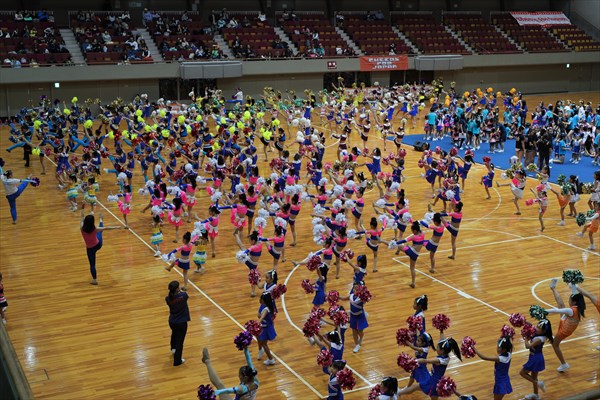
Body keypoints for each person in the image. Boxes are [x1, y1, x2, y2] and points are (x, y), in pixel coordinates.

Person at [547, 278, 586, 372]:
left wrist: (542, 311)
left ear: (574, 302)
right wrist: (572, 282)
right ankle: (553, 288)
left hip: (565, 329)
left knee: (555, 344)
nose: (569, 300)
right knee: (560, 304)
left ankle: (564, 364)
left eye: (570, 299)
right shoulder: (577, 306)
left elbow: (556, 311)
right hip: (568, 323)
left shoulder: (570, 310)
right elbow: (574, 293)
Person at [80, 210, 124, 285]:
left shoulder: (82, 228)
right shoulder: (95, 229)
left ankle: (94, 280)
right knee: (100, 231)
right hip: (98, 245)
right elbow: (106, 228)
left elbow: (82, 220)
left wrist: (82, 215)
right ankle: (101, 219)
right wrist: (118, 227)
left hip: (90, 248)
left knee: (92, 264)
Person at [520, 319, 552, 400]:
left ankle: (538, 383)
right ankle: (536, 395)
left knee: (522, 373)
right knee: (534, 376)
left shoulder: (539, 339)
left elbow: (528, 346)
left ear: (544, 331)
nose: (536, 328)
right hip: (535, 357)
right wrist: (523, 321)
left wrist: (526, 338)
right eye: (537, 326)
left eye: (539, 328)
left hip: (535, 358)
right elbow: (531, 326)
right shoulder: (539, 333)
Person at [165, 280, 190, 366]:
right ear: (176, 289)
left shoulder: (167, 298)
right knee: (180, 341)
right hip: (181, 322)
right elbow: (186, 295)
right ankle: (177, 360)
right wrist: (181, 291)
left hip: (172, 321)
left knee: (174, 333)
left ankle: (173, 348)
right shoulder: (183, 296)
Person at [257, 291, 277, 365]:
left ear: (264, 300)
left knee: (264, 344)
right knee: (260, 340)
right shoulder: (264, 306)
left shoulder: (266, 309)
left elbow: (261, 318)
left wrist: (255, 324)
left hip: (266, 328)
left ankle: (271, 359)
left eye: (261, 298)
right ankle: (262, 351)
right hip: (264, 326)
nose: (259, 299)